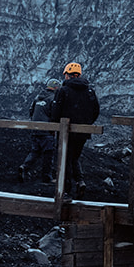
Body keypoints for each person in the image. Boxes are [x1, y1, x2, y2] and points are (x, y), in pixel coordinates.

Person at [52, 62, 101, 198]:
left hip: (66, 132)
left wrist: (55, 126)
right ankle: (80, 181)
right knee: (75, 157)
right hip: (83, 133)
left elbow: (56, 112)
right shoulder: (89, 91)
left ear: (67, 75)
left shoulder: (63, 91)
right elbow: (96, 110)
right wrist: (87, 123)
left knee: (65, 159)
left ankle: (66, 191)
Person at [19, 79, 61, 183]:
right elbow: (55, 114)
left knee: (35, 152)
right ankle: (47, 177)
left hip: (35, 129)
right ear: (56, 88)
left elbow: (31, 111)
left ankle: (24, 167)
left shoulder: (37, 97)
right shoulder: (53, 98)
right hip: (47, 131)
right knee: (48, 153)